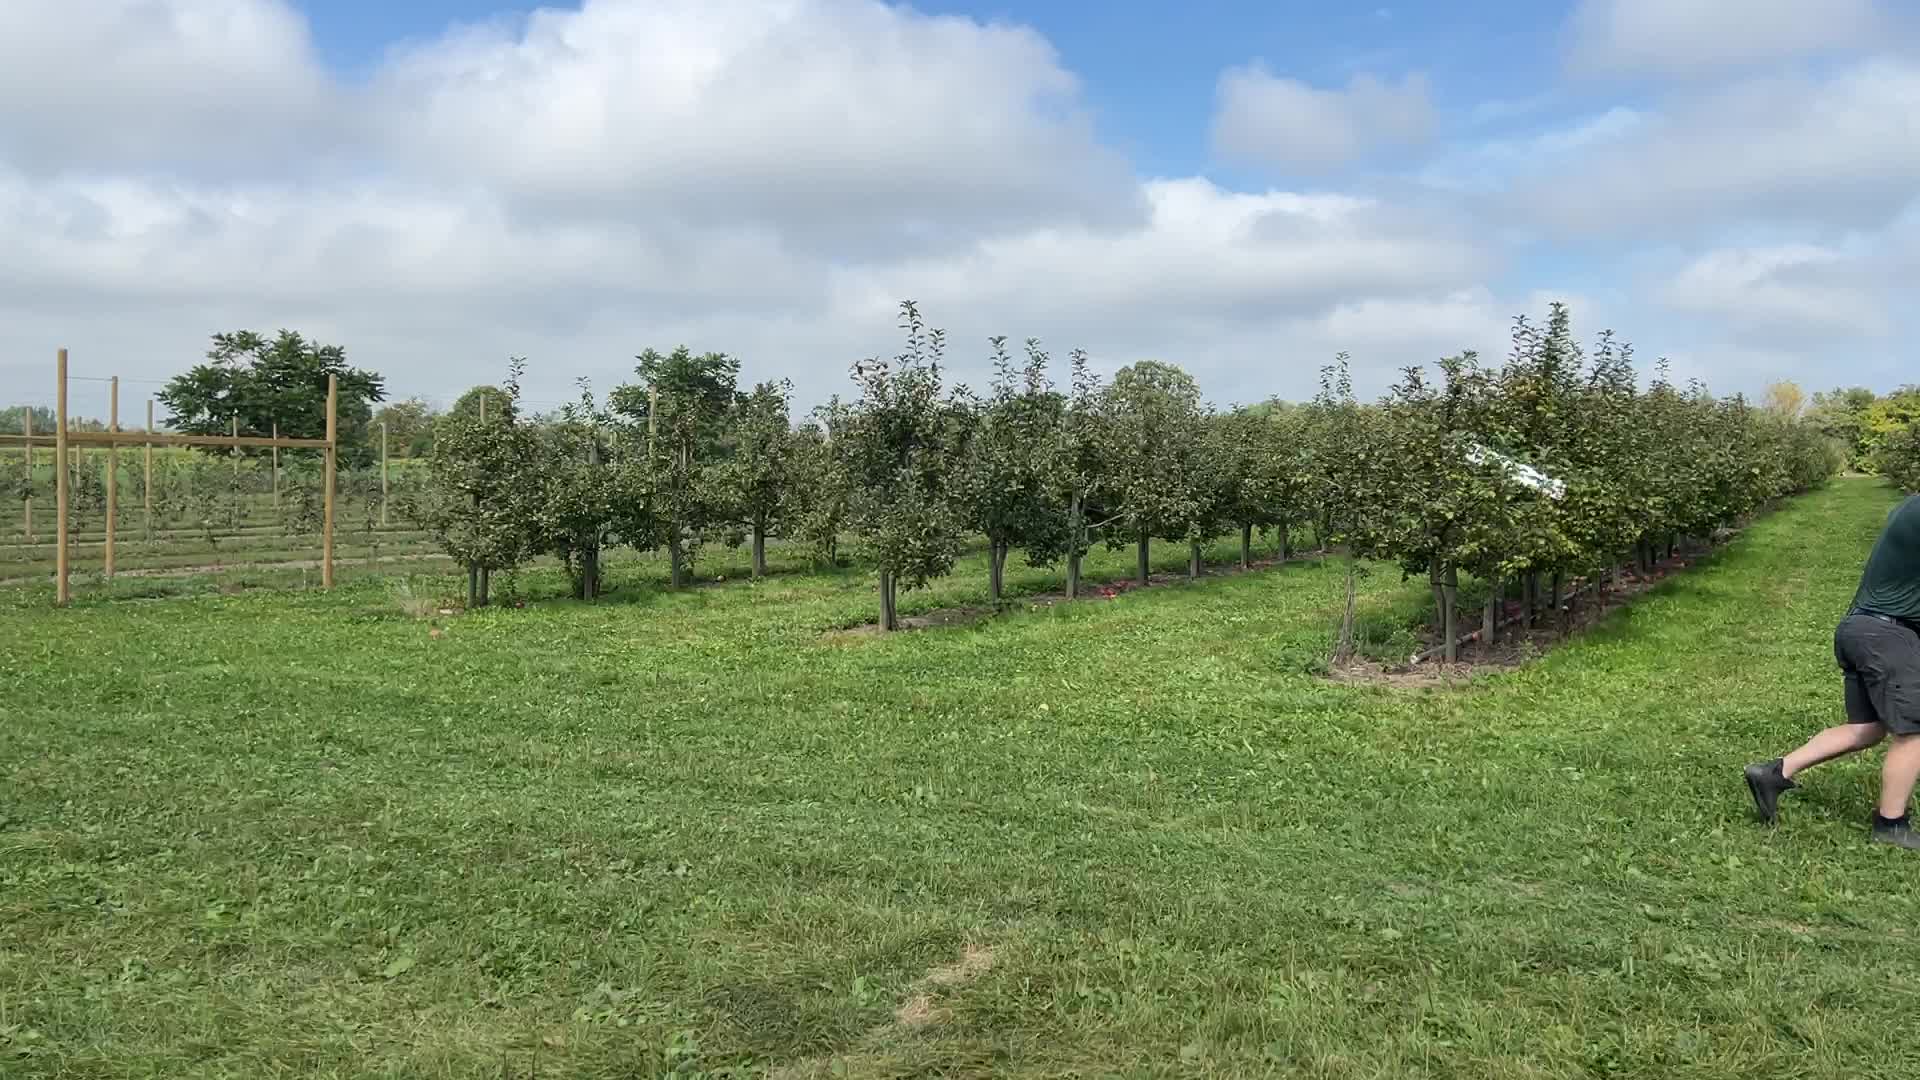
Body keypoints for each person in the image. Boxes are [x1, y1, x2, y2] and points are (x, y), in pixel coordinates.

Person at [1747, 494, 1920, 847]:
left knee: (1867, 729)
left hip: (1860, 628)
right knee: (1915, 733)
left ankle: (1774, 772)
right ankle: (1891, 826)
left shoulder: (1911, 504)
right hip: (1887, 634)